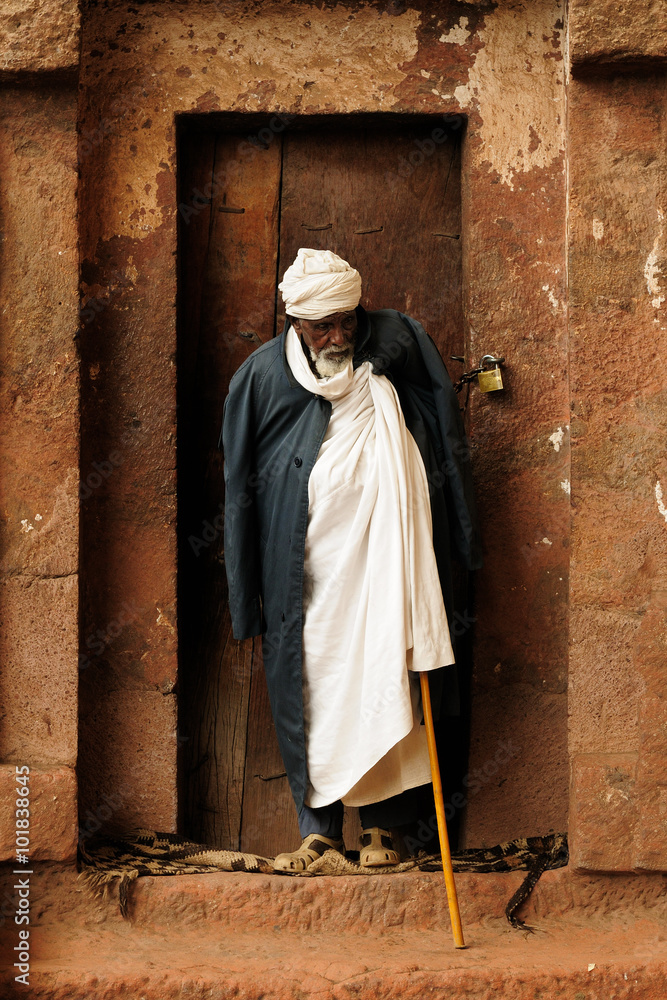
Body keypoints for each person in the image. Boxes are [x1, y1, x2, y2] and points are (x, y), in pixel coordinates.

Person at [219, 248, 482, 871]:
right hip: (302, 569)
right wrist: (244, 593)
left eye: (346, 321)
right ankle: (320, 831)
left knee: (389, 667)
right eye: (322, 327)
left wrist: (462, 539)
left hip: (387, 558)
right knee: (314, 684)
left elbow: (444, 425)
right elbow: (238, 486)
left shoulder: (396, 341)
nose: (338, 336)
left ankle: (387, 830)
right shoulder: (259, 377)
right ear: (296, 323)